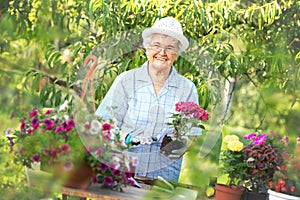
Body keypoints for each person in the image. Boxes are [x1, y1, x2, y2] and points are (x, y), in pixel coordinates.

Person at [95, 17, 201, 182]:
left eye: (170, 48)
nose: (162, 53)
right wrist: (127, 138)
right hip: (125, 168)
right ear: (147, 48)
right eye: (157, 45)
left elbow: (192, 135)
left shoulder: (187, 89)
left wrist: (180, 144)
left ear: (177, 54)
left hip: (164, 174)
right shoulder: (126, 81)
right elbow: (103, 123)